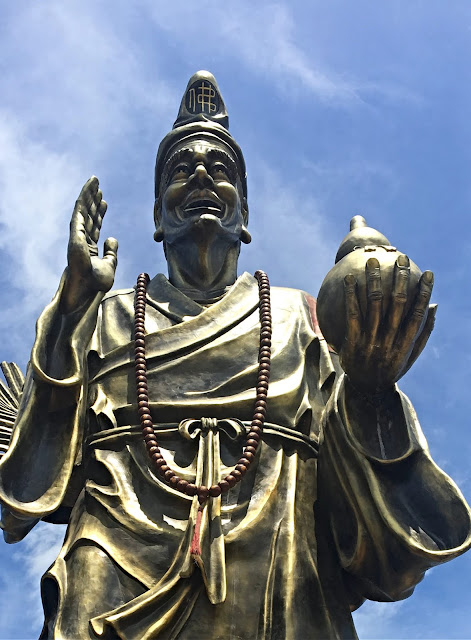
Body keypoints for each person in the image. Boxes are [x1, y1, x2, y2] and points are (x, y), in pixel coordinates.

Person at [0, 71, 470, 640]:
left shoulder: (301, 317)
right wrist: (72, 307)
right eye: (181, 172)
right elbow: (31, 485)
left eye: (219, 171)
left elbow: (357, 503)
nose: (200, 175)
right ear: (157, 217)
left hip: (279, 559)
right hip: (116, 554)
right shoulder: (104, 316)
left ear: (243, 215)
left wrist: (370, 392)